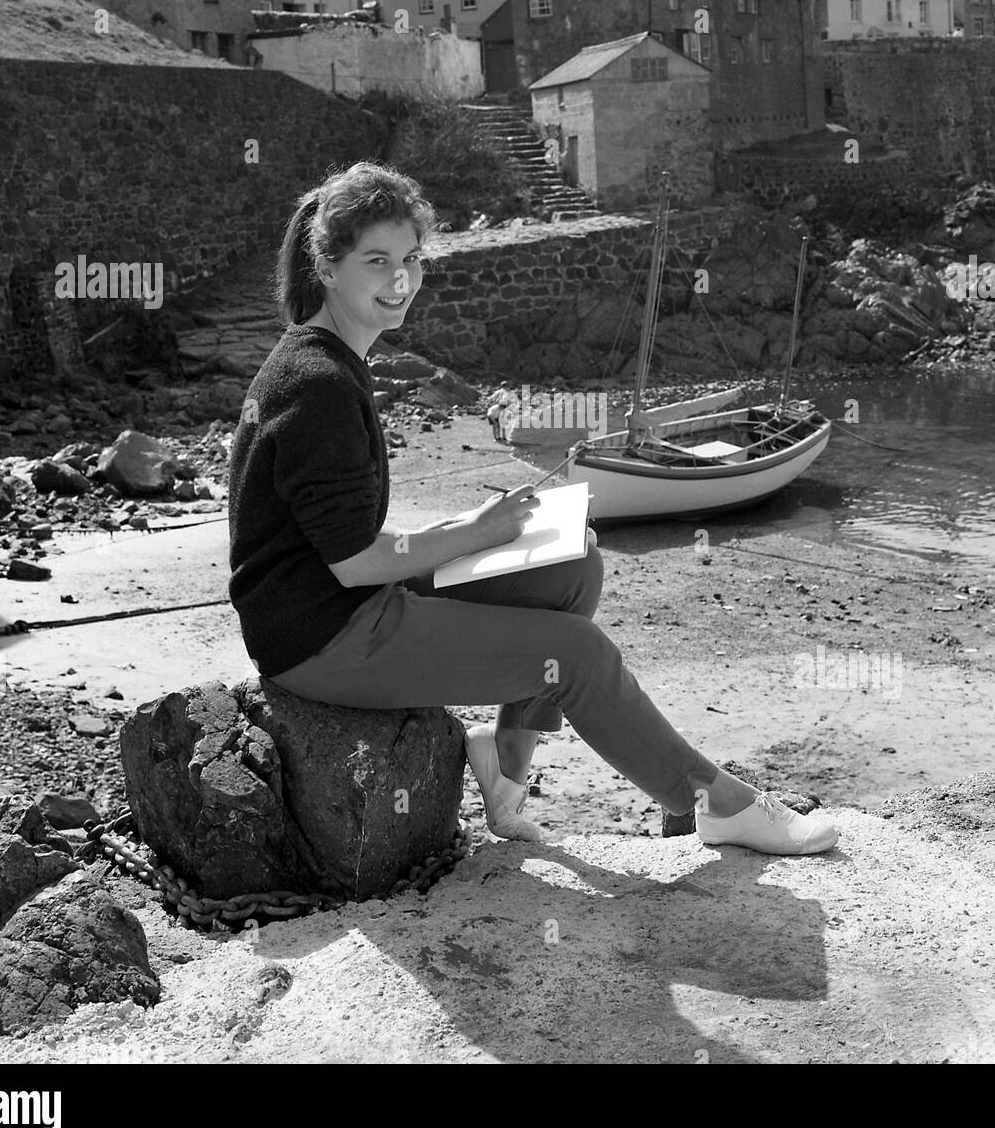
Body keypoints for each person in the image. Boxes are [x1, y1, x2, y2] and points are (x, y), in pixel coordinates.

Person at [226, 161, 839, 856]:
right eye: (377, 261)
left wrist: (473, 532)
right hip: (321, 636)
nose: (400, 279)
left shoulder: (331, 361)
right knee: (575, 655)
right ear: (328, 267)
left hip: (339, 599)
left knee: (572, 564)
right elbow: (353, 561)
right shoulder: (318, 384)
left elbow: (343, 539)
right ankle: (716, 802)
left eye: (410, 259)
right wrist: (475, 533)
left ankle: (504, 764)